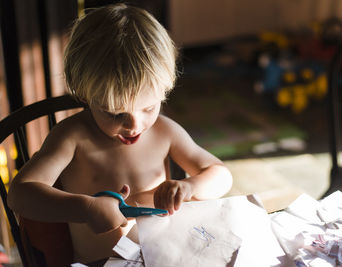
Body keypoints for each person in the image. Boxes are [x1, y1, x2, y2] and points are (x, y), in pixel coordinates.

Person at [7, 3, 232, 264]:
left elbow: (221, 175)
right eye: (115, 113)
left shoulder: (163, 130)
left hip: (161, 256)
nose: (134, 124)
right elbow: (20, 195)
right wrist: (85, 208)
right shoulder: (73, 137)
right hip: (100, 263)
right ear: (86, 94)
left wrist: (189, 186)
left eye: (148, 107)